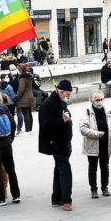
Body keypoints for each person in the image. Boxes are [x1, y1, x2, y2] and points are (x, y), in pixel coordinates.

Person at [39, 79, 75, 211]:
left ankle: (56, 197)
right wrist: (62, 120)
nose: (68, 98)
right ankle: (66, 200)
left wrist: (66, 118)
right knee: (65, 170)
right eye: (67, 95)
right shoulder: (47, 104)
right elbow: (46, 125)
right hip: (56, 143)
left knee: (58, 169)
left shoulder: (60, 102)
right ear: (61, 92)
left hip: (64, 142)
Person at [80, 89, 111, 199]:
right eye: (97, 100)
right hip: (93, 145)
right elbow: (83, 128)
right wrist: (97, 134)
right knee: (93, 167)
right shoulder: (87, 112)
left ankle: (105, 187)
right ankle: (93, 189)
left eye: (101, 99)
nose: (100, 102)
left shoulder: (108, 111)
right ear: (92, 101)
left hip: (105, 144)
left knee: (105, 167)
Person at [15, 62, 35, 133]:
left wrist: (17, 97)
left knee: (25, 115)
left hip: (24, 98)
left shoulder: (22, 78)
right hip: (30, 96)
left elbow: (21, 89)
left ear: (20, 70)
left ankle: (27, 130)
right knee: (29, 114)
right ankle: (30, 129)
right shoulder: (29, 76)